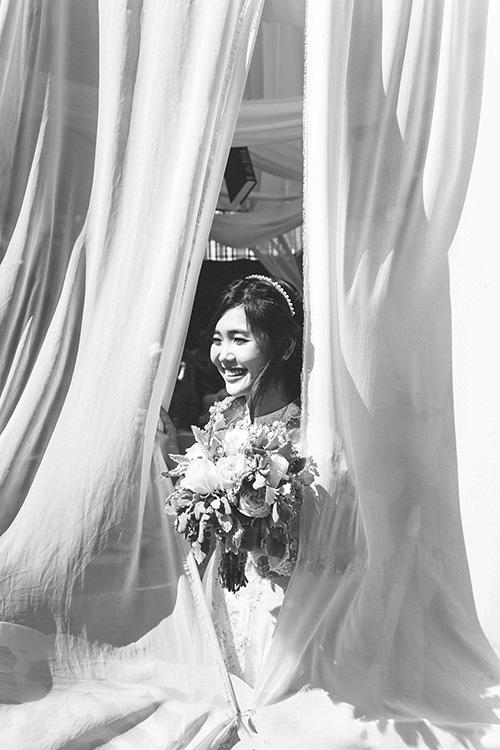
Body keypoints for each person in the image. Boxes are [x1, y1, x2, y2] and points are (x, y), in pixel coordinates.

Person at [201, 274, 304, 688]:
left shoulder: (304, 436)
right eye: (217, 339)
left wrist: (264, 538)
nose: (223, 354)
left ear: (286, 346)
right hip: (224, 597)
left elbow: (318, 550)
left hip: (282, 611)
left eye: (239, 340)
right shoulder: (221, 422)